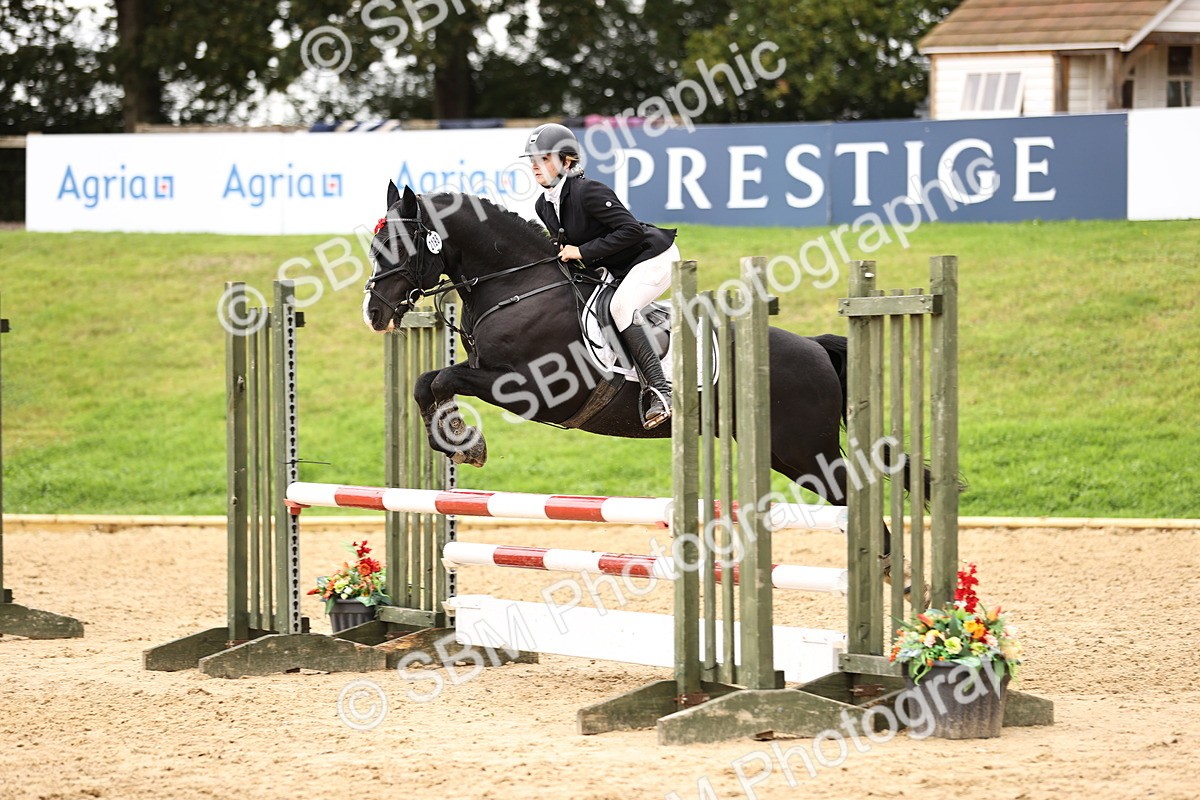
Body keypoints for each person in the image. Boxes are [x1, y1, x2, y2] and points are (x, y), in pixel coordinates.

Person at [521, 123, 679, 430]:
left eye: (543, 158)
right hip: (617, 266)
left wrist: (580, 252)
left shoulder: (588, 191)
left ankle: (662, 391)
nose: (535, 166)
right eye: (532, 159)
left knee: (621, 308)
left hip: (652, 257)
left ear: (567, 162)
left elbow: (631, 230)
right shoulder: (544, 205)